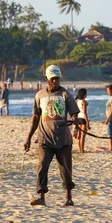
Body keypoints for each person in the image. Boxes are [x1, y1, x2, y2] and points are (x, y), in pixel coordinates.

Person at [24, 65, 80, 207]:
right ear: (47, 79)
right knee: (42, 167)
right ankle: (41, 197)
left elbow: (74, 112)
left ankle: (68, 197)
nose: (55, 81)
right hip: (45, 138)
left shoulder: (66, 94)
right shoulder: (40, 95)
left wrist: (75, 119)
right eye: (52, 79)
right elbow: (36, 118)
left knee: (65, 168)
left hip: (64, 139)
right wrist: (29, 137)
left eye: (57, 79)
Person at [74, 88, 90, 153]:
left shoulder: (78, 101)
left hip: (79, 118)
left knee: (79, 136)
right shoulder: (84, 102)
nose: (87, 94)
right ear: (84, 94)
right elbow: (85, 112)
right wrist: (87, 122)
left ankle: (80, 149)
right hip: (83, 119)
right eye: (86, 93)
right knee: (83, 136)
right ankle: (82, 150)